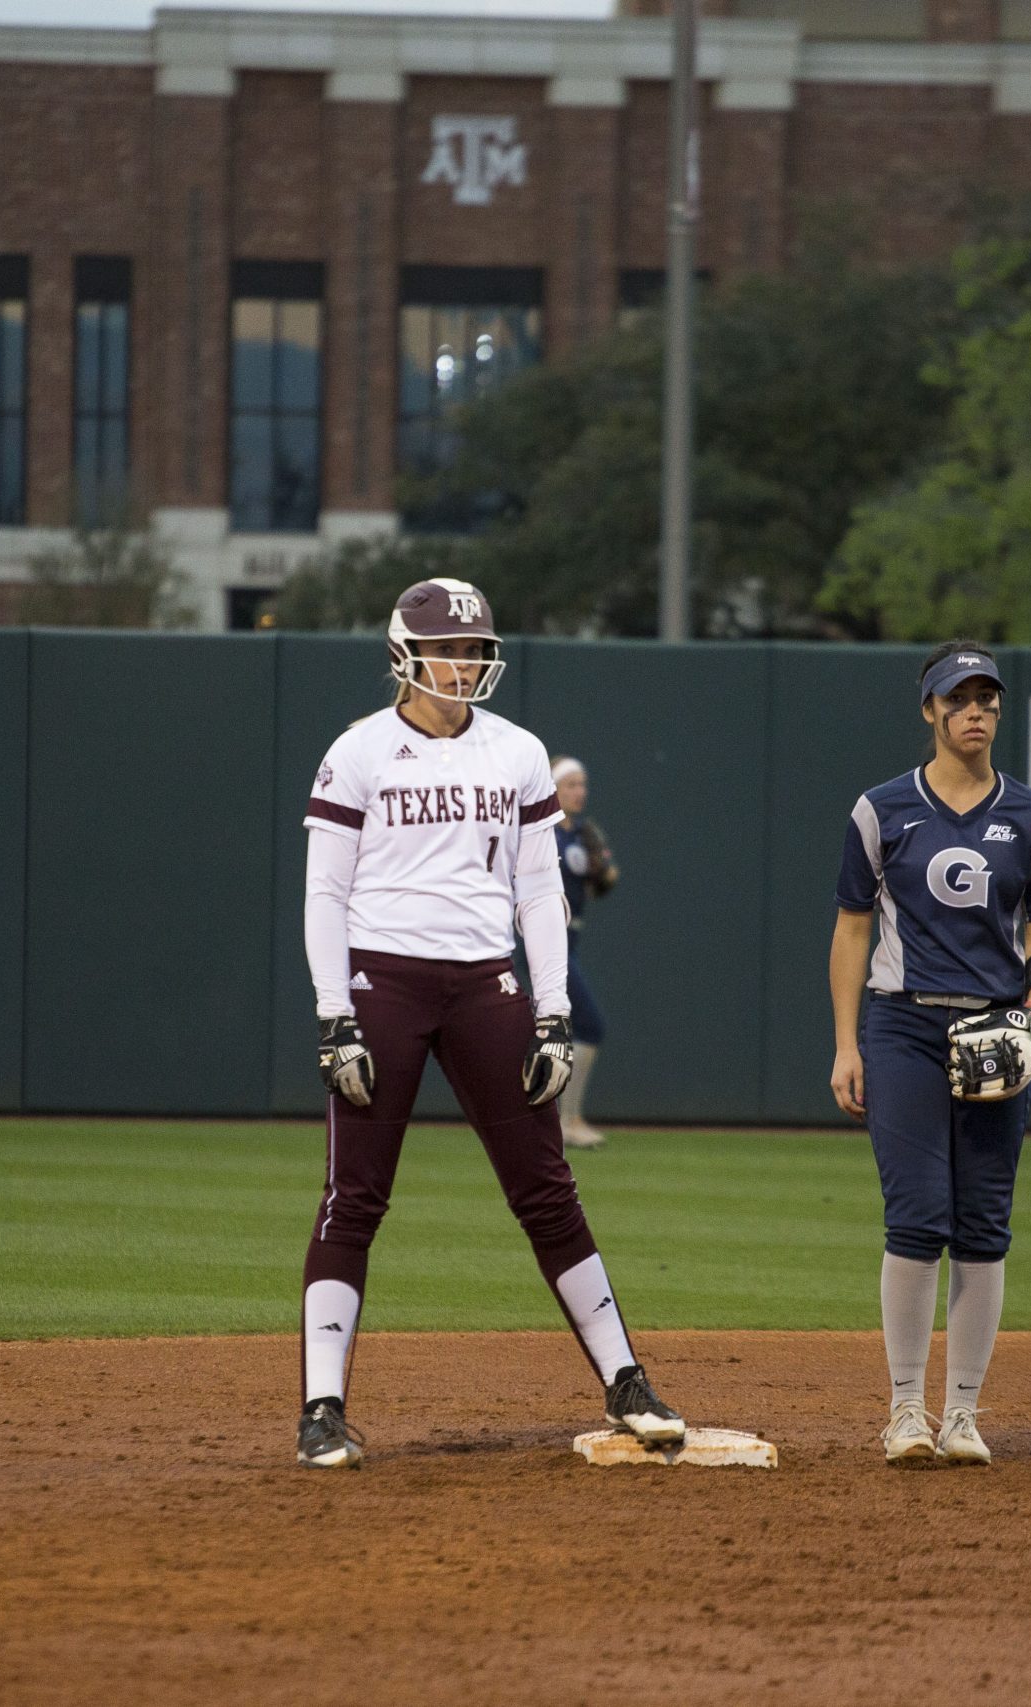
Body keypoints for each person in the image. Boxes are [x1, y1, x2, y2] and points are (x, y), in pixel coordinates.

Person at [294, 577, 687, 1469]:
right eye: (451, 649)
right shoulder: (358, 751)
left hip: (484, 983)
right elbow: (324, 891)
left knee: (547, 1190)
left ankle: (627, 1378)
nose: (466, 664)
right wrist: (334, 1014)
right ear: (406, 653)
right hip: (383, 978)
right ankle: (322, 1407)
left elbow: (540, 890)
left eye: (476, 650)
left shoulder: (517, 751)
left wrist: (552, 1010)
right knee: (353, 1197)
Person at [827, 641, 1031, 1468]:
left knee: (981, 1225)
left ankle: (961, 1412)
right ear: (928, 709)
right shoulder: (882, 808)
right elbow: (853, 926)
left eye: (987, 698)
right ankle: (905, 1409)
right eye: (958, 698)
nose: (975, 711)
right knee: (917, 1215)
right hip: (903, 1026)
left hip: (998, 1026)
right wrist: (844, 1042)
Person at [548, 757, 620, 1150]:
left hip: (570, 939)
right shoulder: (541, 834)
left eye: (582, 784)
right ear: (553, 788)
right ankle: (565, 1120)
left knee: (572, 1029)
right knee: (589, 1024)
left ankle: (567, 1118)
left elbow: (600, 884)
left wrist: (603, 872)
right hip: (544, 943)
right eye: (571, 784)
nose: (580, 791)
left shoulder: (580, 835)